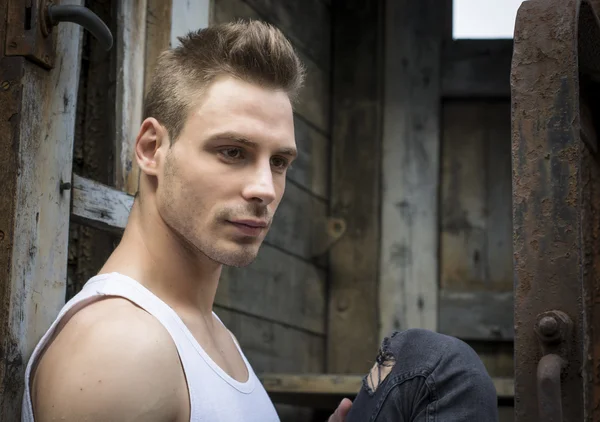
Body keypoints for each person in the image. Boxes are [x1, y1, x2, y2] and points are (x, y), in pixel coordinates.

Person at [22, 20, 498, 422]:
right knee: (439, 367)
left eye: (279, 162)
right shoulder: (121, 349)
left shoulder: (206, 331)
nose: (265, 189)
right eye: (233, 152)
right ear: (151, 149)